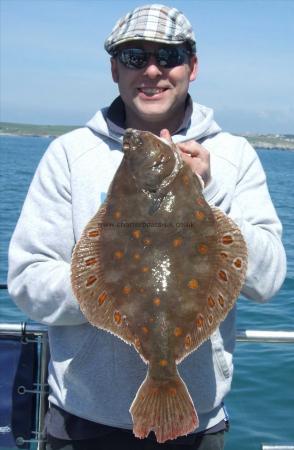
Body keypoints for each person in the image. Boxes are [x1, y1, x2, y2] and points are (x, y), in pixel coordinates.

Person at [8, 4, 286, 450]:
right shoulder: (69, 154)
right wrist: (106, 289)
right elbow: (27, 281)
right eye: (135, 57)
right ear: (114, 69)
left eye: (169, 56)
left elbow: (268, 281)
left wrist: (204, 198)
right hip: (82, 420)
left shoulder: (235, 156)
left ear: (192, 67)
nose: (152, 70)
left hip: (198, 423)